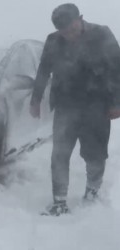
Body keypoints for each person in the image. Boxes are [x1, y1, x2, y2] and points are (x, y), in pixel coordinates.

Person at [30, 3, 120, 216]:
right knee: (59, 154)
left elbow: (118, 68)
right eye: (64, 32)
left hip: (96, 105)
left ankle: (91, 193)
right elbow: (43, 69)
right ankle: (59, 202)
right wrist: (35, 99)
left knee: (95, 153)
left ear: (80, 18)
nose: (68, 35)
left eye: (71, 29)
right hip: (66, 104)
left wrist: (117, 102)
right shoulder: (53, 41)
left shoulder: (102, 34)